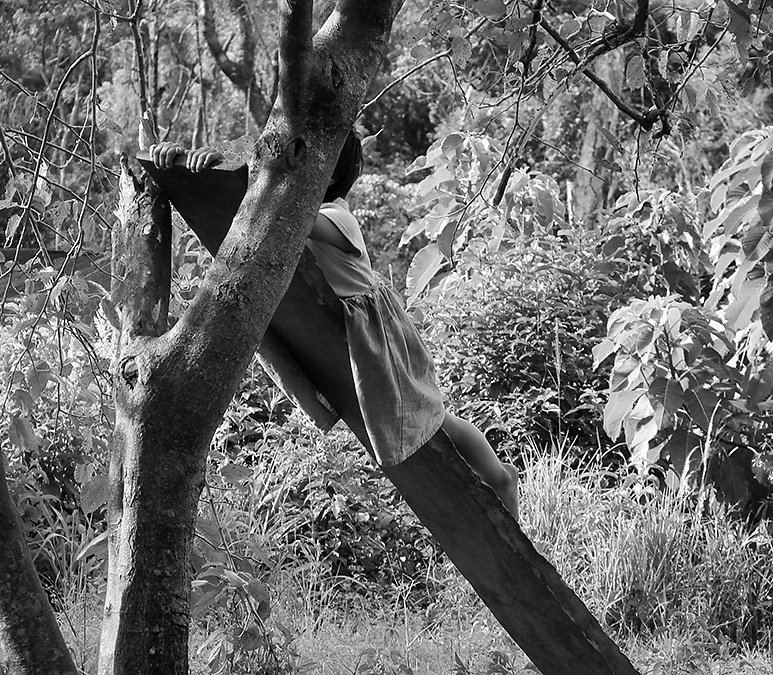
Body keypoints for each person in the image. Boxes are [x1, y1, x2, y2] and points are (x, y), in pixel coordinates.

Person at [149, 135, 520, 520]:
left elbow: (282, 215)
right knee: (424, 425)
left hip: (378, 339)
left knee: (435, 418)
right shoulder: (293, 213)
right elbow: (244, 221)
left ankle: (500, 478)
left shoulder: (336, 217)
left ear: (323, 178)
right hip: (348, 338)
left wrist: (227, 175)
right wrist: (194, 166)